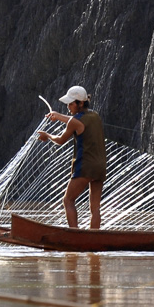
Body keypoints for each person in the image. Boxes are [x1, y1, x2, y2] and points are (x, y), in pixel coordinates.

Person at [37, 85, 105, 230]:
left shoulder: (74, 122)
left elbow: (61, 140)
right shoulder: (95, 116)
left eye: (71, 103)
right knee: (95, 208)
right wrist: (58, 115)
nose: (68, 106)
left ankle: (74, 234)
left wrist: (47, 136)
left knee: (68, 200)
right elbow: (75, 121)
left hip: (84, 167)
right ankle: (94, 239)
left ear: (80, 104)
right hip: (100, 167)